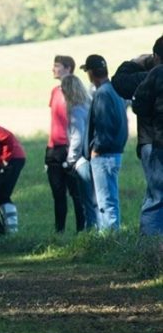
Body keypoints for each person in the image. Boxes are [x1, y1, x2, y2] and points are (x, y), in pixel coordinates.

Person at [82, 54, 128, 231]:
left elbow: (104, 125)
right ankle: (110, 238)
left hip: (104, 154)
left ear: (91, 73)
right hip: (115, 152)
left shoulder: (102, 93)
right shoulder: (114, 90)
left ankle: (109, 241)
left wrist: (96, 149)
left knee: (105, 202)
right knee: (109, 199)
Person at [45, 56, 84, 233]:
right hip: (53, 148)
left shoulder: (75, 91)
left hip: (69, 148)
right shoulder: (54, 91)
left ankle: (81, 230)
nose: (53, 69)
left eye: (57, 66)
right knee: (57, 193)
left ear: (68, 68)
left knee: (76, 193)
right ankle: (59, 230)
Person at [131, 39, 163, 236]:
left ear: (157, 57)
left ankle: (149, 253)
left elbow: (138, 104)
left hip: (160, 141)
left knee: (156, 197)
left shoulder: (158, 73)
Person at [60, 74, 96, 230]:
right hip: (93, 155)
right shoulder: (89, 105)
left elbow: (77, 136)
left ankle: (91, 234)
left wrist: (70, 159)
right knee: (96, 199)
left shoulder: (75, 110)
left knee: (87, 201)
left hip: (81, 160)